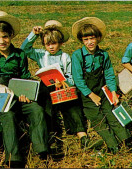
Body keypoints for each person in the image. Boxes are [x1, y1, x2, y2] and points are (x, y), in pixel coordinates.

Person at [0, 11, 49, 168]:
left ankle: (42, 150)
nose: (2, 41)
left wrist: (25, 94)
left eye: (5, 37)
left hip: (16, 95)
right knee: (8, 117)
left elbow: (25, 78)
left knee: (36, 109)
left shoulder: (20, 54)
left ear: (11, 35)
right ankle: (14, 158)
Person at [21, 20, 103, 150]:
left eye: (54, 43)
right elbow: (24, 49)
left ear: (61, 43)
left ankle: (83, 137)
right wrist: (33, 34)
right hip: (47, 87)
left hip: (64, 87)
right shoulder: (42, 55)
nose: (51, 47)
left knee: (73, 107)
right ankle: (52, 138)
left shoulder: (65, 57)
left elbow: (71, 75)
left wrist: (65, 82)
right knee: (47, 108)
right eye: (47, 44)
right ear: (44, 44)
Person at [71, 17, 132, 154]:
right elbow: (78, 79)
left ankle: (126, 140)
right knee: (98, 119)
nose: (90, 42)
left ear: (98, 38)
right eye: (86, 39)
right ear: (82, 40)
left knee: (112, 114)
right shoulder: (77, 55)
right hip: (87, 94)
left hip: (102, 91)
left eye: (92, 38)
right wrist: (91, 95)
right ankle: (113, 145)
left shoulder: (103, 55)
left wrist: (112, 92)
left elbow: (109, 75)